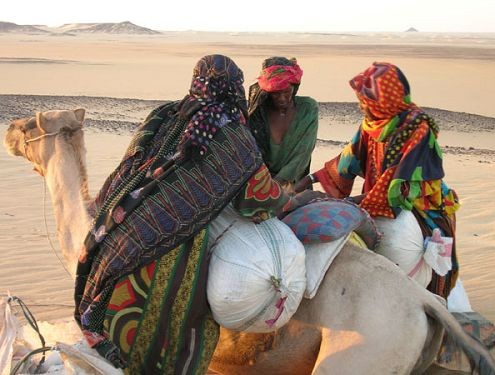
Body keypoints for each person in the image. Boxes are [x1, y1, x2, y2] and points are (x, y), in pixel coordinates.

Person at [74, 55, 321, 373]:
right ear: (234, 89)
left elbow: (129, 161)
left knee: (114, 319)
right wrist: (290, 200)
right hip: (172, 244)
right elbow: (255, 200)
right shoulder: (231, 136)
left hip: (118, 232)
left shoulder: (164, 114)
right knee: (173, 322)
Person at [295, 61, 460, 299]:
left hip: (416, 198)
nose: (362, 106)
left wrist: (347, 202)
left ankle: (438, 303)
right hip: (373, 194)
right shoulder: (372, 123)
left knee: (441, 251)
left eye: (366, 101)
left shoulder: (418, 128)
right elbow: (349, 158)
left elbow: (399, 183)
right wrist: (309, 179)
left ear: (385, 100)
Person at [248, 56, 319, 193]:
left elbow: (303, 153)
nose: (281, 99)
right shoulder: (257, 113)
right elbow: (252, 154)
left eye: (286, 92)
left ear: (295, 87)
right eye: (275, 94)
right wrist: (264, 187)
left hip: (295, 186)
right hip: (261, 185)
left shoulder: (308, 108)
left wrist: (277, 184)